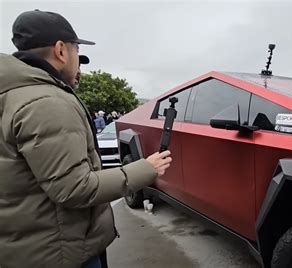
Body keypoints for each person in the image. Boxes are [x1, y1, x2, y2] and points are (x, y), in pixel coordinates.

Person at [0, 10, 172, 268]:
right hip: (60, 251)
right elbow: (73, 188)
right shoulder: (47, 103)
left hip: (28, 246)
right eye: (76, 50)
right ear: (61, 50)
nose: (78, 60)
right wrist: (145, 169)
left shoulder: (13, 95)